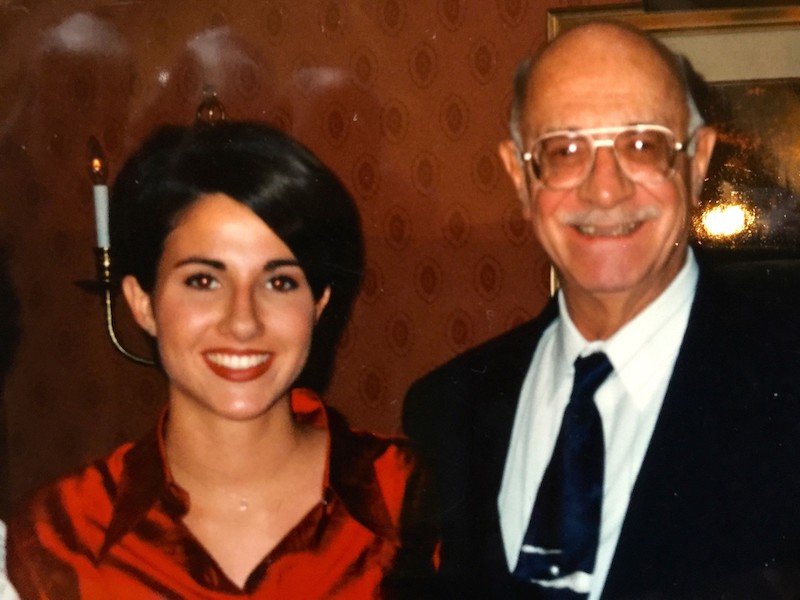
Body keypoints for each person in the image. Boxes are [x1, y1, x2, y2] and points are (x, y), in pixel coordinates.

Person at [403, 21, 800, 599]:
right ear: (520, 176)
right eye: (565, 151)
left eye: (642, 145)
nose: (605, 190)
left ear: (697, 163)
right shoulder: (446, 411)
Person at [7, 121, 421, 598]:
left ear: (319, 305)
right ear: (143, 303)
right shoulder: (58, 536)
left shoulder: (416, 502)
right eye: (203, 281)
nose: (242, 322)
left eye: (280, 281)